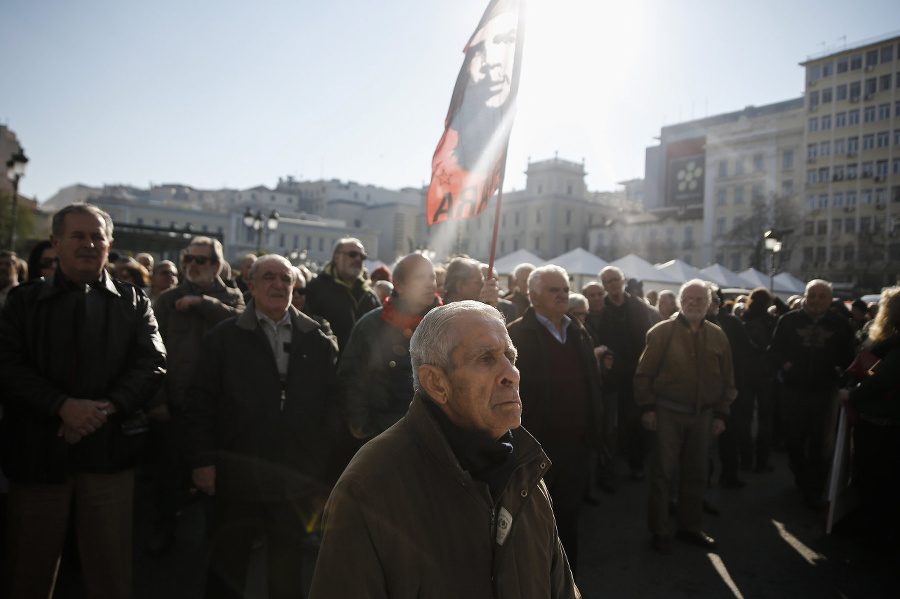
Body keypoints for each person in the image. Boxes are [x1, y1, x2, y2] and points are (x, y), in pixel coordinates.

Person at [309, 301, 580, 598]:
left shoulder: (524, 467)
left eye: (510, 356)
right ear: (436, 383)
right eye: (486, 359)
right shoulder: (370, 487)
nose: (511, 374)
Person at [0, 203, 167, 598]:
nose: (89, 244)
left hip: (109, 458)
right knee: (29, 572)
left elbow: (153, 363)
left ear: (110, 245)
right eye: (78, 235)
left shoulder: (134, 302)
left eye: (97, 237)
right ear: (56, 242)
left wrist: (103, 409)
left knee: (109, 573)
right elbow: (7, 365)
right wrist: (61, 406)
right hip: (37, 457)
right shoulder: (23, 302)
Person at [185, 254, 340, 599]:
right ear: (251, 286)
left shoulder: (315, 337)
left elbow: (333, 402)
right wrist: (202, 461)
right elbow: (201, 402)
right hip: (237, 470)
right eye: (269, 277)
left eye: (286, 279)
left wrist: (318, 456)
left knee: (286, 568)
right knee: (228, 564)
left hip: (292, 473)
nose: (279, 285)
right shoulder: (223, 337)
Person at [147, 237, 245, 556]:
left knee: (219, 480)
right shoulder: (168, 299)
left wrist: (203, 304)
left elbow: (240, 324)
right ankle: (164, 531)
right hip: (177, 402)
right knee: (169, 474)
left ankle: (216, 543)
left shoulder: (232, 297)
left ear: (216, 266)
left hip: (220, 408)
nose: (191, 265)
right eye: (188, 258)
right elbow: (149, 353)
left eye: (200, 260)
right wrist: (156, 399)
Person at [507, 265, 603, 576]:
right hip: (536, 449)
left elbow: (592, 383)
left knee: (569, 518)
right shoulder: (517, 334)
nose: (563, 294)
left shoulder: (577, 329)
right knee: (533, 521)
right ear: (533, 296)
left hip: (576, 446)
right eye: (554, 290)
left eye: (565, 289)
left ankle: (566, 581)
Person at [634, 279, 735, 555]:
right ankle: (659, 530)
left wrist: (721, 413)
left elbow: (728, 379)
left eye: (699, 300)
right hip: (667, 413)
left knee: (697, 473)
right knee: (662, 474)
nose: (693, 304)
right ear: (680, 301)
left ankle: (690, 527)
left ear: (709, 303)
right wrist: (648, 409)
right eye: (688, 299)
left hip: (703, 416)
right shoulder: (661, 332)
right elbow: (643, 375)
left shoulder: (718, 336)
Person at [768, 279, 855, 509]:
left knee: (819, 443)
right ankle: (800, 475)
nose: (816, 300)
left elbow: (850, 355)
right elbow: (774, 351)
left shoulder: (840, 324)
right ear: (805, 297)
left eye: (821, 295)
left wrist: (839, 372)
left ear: (829, 299)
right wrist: (785, 365)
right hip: (793, 390)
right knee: (793, 439)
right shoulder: (788, 320)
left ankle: (813, 489)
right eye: (812, 295)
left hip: (824, 392)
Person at [338, 253, 441, 441]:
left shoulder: (447, 324)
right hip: (381, 433)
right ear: (399, 285)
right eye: (420, 277)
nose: (430, 284)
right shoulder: (370, 325)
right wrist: (361, 428)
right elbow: (352, 378)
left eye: (432, 277)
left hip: (436, 434)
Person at [839, 285, 900, 549]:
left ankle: (873, 527)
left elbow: (882, 380)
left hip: (882, 419)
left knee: (874, 474)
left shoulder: (895, 345)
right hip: (884, 417)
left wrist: (851, 395)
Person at [596, 266, 657, 481]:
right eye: (608, 280)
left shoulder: (637, 306)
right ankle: (609, 467)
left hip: (635, 371)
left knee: (635, 419)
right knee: (611, 421)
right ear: (604, 285)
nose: (613, 283)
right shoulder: (601, 306)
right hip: (611, 374)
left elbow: (648, 338)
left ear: (622, 281)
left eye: (616, 279)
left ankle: (636, 462)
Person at [305, 238, 380, 355]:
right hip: (329, 364)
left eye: (362, 256)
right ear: (336, 257)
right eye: (353, 254)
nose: (358, 259)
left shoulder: (368, 294)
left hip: (362, 369)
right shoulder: (315, 288)